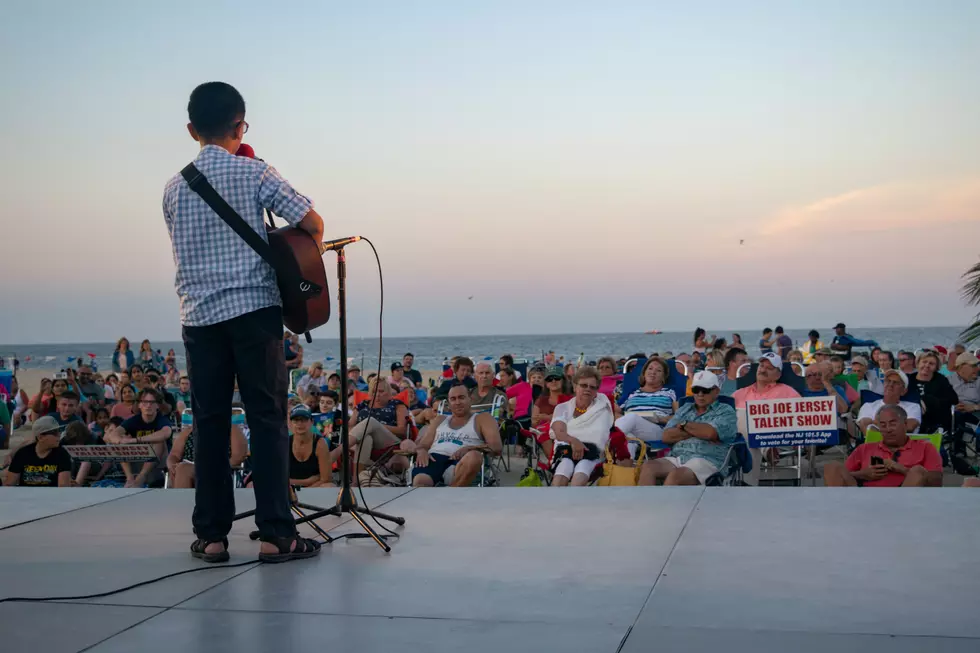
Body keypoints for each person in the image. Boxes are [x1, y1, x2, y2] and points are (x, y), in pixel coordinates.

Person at [163, 82, 326, 563]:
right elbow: (313, 223)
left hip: (199, 317)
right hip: (254, 311)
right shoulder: (254, 171)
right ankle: (277, 533)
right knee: (268, 419)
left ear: (191, 130)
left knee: (209, 425)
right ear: (242, 126)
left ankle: (212, 537)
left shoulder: (174, 186)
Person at [639, 371, 737, 486]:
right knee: (648, 467)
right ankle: (644, 504)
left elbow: (710, 433)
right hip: (678, 457)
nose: (700, 394)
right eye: (696, 390)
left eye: (705, 390)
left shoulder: (725, 411)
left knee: (676, 476)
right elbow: (666, 436)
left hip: (707, 459)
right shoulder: (685, 408)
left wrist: (684, 425)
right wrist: (698, 431)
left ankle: (664, 504)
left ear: (716, 391)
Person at [824, 405, 941, 487]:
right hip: (864, 499)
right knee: (832, 467)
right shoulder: (865, 449)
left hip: (905, 500)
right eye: (883, 425)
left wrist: (903, 470)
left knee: (917, 471)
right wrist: (863, 474)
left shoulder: (925, 447)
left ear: (905, 424)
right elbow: (842, 475)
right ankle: (839, 516)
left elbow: (936, 482)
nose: (888, 429)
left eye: (892, 424)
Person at [412, 384, 502, 487]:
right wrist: (422, 451)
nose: (458, 402)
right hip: (434, 459)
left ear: (470, 399)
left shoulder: (482, 419)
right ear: (449, 404)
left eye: (461, 397)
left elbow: (496, 447)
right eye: (453, 399)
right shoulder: (440, 419)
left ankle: (450, 494)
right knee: (421, 481)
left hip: (461, 462)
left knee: (474, 456)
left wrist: (470, 448)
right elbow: (423, 444)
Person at [549, 367, 613, 487]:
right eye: (584, 385)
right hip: (566, 450)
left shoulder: (601, 408)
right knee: (564, 466)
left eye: (592, 387)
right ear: (575, 387)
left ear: (596, 391)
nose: (588, 389)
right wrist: (574, 440)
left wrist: (579, 441)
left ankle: (575, 503)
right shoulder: (562, 408)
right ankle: (555, 503)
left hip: (593, 452)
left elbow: (600, 436)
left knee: (583, 467)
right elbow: (559, 432)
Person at [103, 389, 173, 488]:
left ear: (157, 405)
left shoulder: (162, 419)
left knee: (159, 441)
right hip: (138, 460)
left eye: (152, 402)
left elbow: (166, 433)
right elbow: (112, 435)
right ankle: (130, 478)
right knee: (121, 440)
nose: (148, 406)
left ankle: (141, 478)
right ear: (139, 405)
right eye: (145, 402)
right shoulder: (134, 420)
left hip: (159, 463)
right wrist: (121, 440)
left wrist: (135, 440)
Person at [350, 376, 412, 481]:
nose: (377, 394)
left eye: (381, 391)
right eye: (374, 391)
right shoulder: (362, 405)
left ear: (388, 392)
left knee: (371, 422)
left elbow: (402, 430)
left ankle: (341, 448)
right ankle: (358, 480)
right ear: (370, 392)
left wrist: (376, 426)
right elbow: (350, 425)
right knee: (366, 438)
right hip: (361, 442)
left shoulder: (397, 405)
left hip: (389, 442)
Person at [615, 357, 677, 443]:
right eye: (650, 368)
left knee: (632, 417)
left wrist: (660, 418)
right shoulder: (633, 394)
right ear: (644, 373)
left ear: (664, 376)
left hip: (656, 429)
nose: (653, 372)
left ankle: (602, 447)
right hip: (630, 428)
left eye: (658, 370)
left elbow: (680, 416)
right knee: (629, 441)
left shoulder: (670, 393)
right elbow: (617, 412)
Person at [3, 416, 71, 487]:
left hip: (52, 497)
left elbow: (63, 487)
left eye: (59, 431)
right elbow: (9, 484)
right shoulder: (23, 454)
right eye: (55, 433)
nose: (59, 435)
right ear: (40, 437)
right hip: (25, 496)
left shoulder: (62, 454)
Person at [908, 350, 958, 435]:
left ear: (936, 367)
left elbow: (953, 400)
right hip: (910, 417)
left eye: (931, 364)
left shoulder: (941, 380)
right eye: (924, 362)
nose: (927, 365)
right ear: (918, 364)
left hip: (934, 420)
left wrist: (928, 401)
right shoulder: (908, 380)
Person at [285, 405, 336, 487]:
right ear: (290, 423)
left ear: (312, 422)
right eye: (296, 420)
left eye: (304, 419)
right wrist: (308, 481)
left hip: (314, 487)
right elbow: (278, 477)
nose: (299, 423)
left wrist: (306, 491)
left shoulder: (320, 443)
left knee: (329, 486)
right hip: (289, 489)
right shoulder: (285, 443)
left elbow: (326, 479)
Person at [856, 369, 921, 434]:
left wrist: (875, 423)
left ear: (903, 391)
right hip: (875, 443)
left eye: (896, 382)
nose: (890, 384)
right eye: (888, 381)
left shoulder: (913, 407)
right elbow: (866, 428)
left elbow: (910, 426)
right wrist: (897, 424)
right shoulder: (868, 406)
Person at [732, 353, 802, 408]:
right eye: (761, 366)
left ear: (778, 375)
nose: (762, 370)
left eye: (769, 368)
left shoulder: (788, 393)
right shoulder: (739, 394)